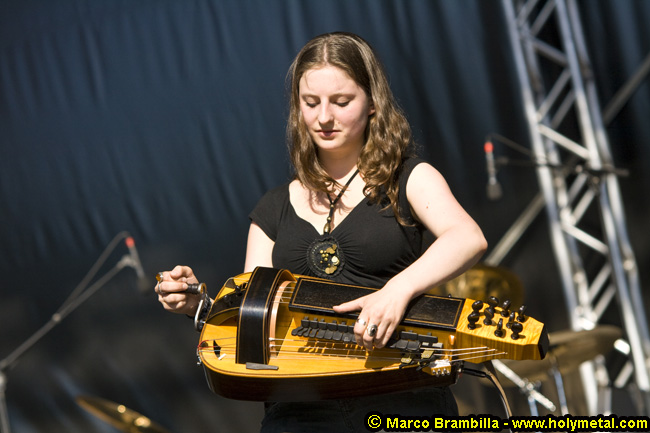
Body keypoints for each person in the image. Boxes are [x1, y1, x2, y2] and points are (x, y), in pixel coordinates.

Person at [156, 32, 487, 432]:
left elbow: (467, 238)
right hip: (300, 412)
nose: (323, 117)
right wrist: (198, 304)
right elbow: (252, 315)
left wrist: (396, 291)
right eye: (310, 103)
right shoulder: (274, 207)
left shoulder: (410, 178)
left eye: (341, 102)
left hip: (400, 397)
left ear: (373, 103)